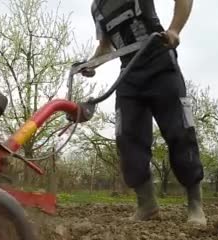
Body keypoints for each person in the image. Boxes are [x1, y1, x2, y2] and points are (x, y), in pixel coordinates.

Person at [82, 0, 206, 225]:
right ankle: (147, 205)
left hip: (161, 63)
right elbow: (105, 47)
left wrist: (174, 29)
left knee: (181, 132)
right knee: (127, 138)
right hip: (128, 73)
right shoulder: (97, 8)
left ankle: (195, 205)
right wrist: (91, 64)